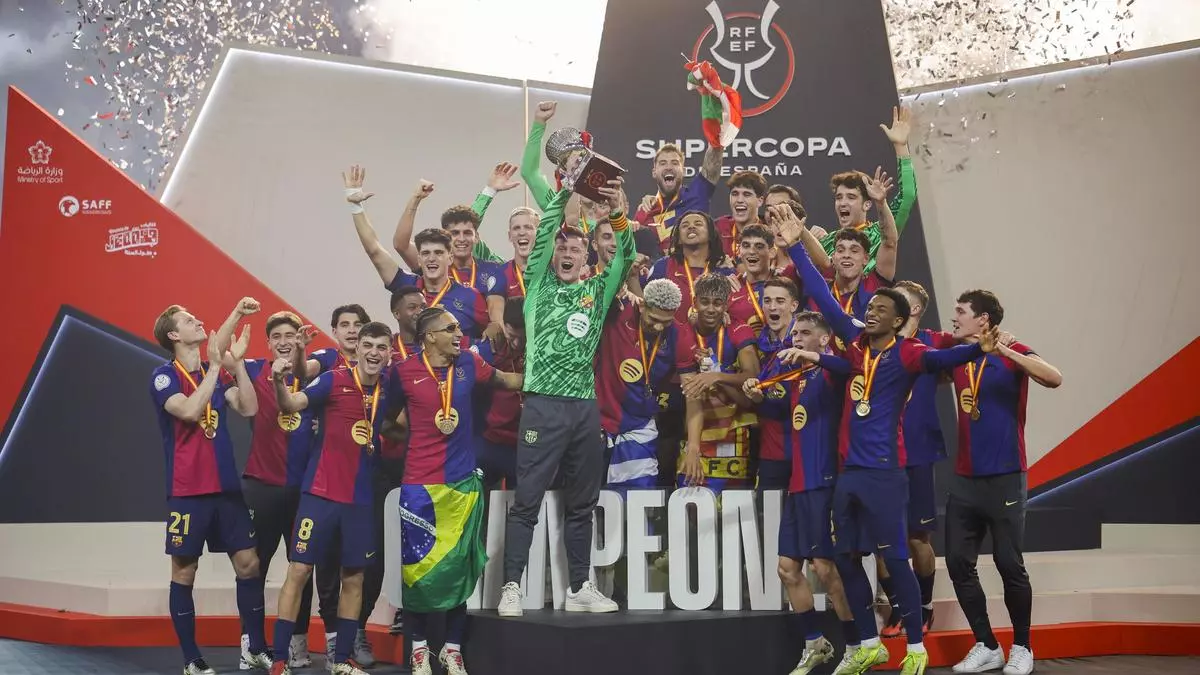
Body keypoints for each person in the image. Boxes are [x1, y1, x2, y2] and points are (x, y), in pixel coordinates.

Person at [777, 207, 1000, 675]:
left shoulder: (912, 352)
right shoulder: (856, 345)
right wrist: (796, 246)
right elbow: (825, 298)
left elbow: (942, 362)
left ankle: (915, 646)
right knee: (844, 558)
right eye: (870, 307)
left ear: (898, 320)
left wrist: (975, 348)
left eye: (880, 309)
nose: (870, 312)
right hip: (849, 474)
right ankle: (868, 642)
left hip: (884, 472)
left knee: (895, 557)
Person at [497, 176, 633, 617]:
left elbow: (625, 255)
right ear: (552, 255)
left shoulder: (597, 290)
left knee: (582, 503)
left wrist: (617, 212)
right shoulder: (538, 286)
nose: (568, 252)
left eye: (576, 247)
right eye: (561, 247)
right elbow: (547, 230)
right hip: (543, 404)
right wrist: (566, 189)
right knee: (527, 501)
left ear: (587, 256)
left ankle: (579, 587)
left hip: (584, 409)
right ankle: (511, 587)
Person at [393, 306, 525, 675]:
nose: (458, 334)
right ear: (429, 337)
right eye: (450, 329)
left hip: (463, 484)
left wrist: (549, 374)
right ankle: (419, 650)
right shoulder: (403, 372)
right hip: (419, 487)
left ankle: (451, 651)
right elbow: (388, 420)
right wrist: (420, 441)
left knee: (459, 569)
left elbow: (507, 380)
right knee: (417, 572)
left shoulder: (468, 362)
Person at [150, 298, 272, 675]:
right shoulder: (163, 377)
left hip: (226, 489)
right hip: (188, 491)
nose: (198, 321)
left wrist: (238, 367)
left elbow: (249, 408)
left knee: (249, 564)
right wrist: (217, 366)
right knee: (184, 572)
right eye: (189, 320)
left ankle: (254, 648)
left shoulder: (213, 373)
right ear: (174, 336)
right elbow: (189, 411)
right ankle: (191, 659)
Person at [267, 321, 396, 675]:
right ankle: (279, 660)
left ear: (390, 353)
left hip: (360, 499)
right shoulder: (333, 379)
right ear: (357, 349)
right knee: (299, 570)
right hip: (320, 494)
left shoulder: (389, 387)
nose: (373, 353)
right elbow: (291, 403)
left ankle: (340, 661)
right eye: (367, 345)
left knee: (353, 578)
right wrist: (278, 382)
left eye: (381, 347)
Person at [944, 290, 1062, 675]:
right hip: (965, 479)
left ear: (983, 319)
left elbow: (1054, 378)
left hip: (1006, 477)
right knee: (958, 562)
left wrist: (1005, 351)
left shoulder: (1014, 351)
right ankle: (987, 645)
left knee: (1008, 563)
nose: (954, 317)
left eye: (961, 311)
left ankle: (1023, 647)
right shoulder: (958, 354)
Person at [742, 310, 852, 675]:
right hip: (799, 483)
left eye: (805, 333)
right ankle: (815, 643)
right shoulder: (799, 377)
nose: (797, 339)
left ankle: (857, 645)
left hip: (823, 482)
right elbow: (781, 411)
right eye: (795, 334)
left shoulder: (830, 373)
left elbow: (846, 367)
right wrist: (758, 397)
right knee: (787, 569)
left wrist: (811, 355)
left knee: (825, 568)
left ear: (823, 339)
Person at [238, 312, 315, 670]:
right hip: (262, 487)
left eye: (290, 335)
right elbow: (222, 356)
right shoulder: (253, 370)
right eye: (277, 336)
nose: (284, 341)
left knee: (303, 568)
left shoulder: (314, 378)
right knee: (253, 566)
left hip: (304, 491)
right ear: (268, 343)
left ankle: (297, 644)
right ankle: (251, 643)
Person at [342, 165, 489, 339]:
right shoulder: (407, 286)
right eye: (426, 253)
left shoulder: (471, 296)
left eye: (438, 253)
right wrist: (356, 206)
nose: (431, 258)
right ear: (418, 258)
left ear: (450, 258)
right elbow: (374, 250)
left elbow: (490, 336)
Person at [878, 281, 943, 640]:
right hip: (881, 453)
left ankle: (925, 605)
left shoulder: (935, 342)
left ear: (914, 309)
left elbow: (970, 348)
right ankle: (899, 607)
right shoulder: (876, 343)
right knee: (883, 539)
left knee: (918, 538)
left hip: (918, 452)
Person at [595, 279, 695, 493]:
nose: (659, 327)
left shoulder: (679, 334)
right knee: (588, 496)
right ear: (642, 305)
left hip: (639, 426)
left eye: (666, 321)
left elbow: (692, 392)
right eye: (654, 319)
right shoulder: (618, 312)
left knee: (638, 499)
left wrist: (693, 446)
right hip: (597, 420)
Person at [390, 179, 506, 343]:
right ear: (445, 237)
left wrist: (495, 324)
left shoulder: (492, 270)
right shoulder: (434, 265)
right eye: (454, 233)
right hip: (430, 347)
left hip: (471, 349)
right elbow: (400, 244)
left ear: (476, 237)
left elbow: (495, 310)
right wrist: (415, 199)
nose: (461, 239)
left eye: (467, 233)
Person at [677, 273, 760, 493]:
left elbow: (753, 375)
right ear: (695, 302)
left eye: (717, 303)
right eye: (705, 302)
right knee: (691, 497)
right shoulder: (685, 335)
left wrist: (716, 375)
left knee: (732, 504)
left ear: (726, 304)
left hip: (734, 430)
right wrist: (693, 448)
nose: (711, 309)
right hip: (698, 427)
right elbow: (691, 395)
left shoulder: (739, 329)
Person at [817, 106, 916, 275]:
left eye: (851, 197)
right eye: (839, 197)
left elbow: (907, 195)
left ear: (867, 204)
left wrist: (900, 146)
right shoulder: (826, 241)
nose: (843, 203)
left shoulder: (880, 233)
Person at [811, 168, 898, 323]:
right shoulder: (821, 291)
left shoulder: (873, 285)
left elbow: (889, 243)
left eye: (851, 197)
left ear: (866, 258)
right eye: (838, 197)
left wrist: (881, 203)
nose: (846, 255)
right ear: (833, 257)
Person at [747, 278, 802, 491]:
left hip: (799, 451)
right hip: (770, 450)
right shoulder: (762, 343)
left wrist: (760, 399)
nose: (772, 307)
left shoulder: (803, 346)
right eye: (767, 300)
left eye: (780, 301)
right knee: (768, 509)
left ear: (793, 305)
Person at [472, 297, 528, 489]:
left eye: (523, 337)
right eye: (511, 335)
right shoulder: (489, 349)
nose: (517, 343)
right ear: (503, 325)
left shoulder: (540, 350)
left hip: (523, 443)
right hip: (488, 441)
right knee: (476, 496)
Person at [645, 210, 736, 324]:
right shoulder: (662, 266)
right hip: (671, 334)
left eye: (698, 224)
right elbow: (645, 305)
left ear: (710, 234)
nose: (691, 227)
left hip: (713, 335)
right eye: (685, 225)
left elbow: (736, 309)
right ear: (678, 238)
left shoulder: (725, 271)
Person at [728, 224, 781, 333]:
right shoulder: (730, 288)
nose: (751, 251)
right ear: (739, 251)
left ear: (772, 253)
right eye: (746, 246)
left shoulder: (784, 281)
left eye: (759, 246)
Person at [713, 170, 768, 258]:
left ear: (760, 201)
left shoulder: (769, 232)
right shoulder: (717, 229)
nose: (739, 200)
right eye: (735, 194)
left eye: (747, 194)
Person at [307, 304, 369, 374]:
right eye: (344, 325)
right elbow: (303, 372)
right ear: (335, 332)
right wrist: (300, 350)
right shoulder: (327, 357)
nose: (352, 330)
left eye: (358, 325)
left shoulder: (377, 361)